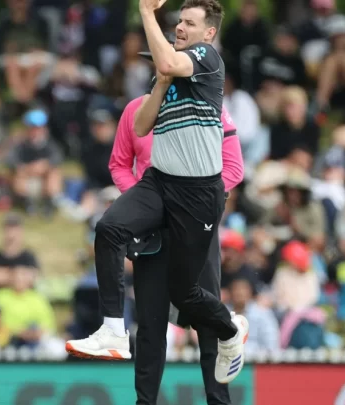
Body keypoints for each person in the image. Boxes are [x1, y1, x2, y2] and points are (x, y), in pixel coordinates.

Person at [65, 0, 248, 384]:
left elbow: (234, 167)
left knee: (185, 296)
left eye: (189, 22)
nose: (180, 27)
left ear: (208, 33)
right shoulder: (164, 78)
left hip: (198, 194)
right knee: (109, 227)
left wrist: (146, 12)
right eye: (178, 21)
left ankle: (230, 330)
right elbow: (143, 125)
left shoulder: (208, 59)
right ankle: (114, 329)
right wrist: (162, 84)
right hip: (161, 183)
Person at [103, 92, 243, 403]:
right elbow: (120, 165)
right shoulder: (136, 109)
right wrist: (148, 206)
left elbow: (233, 168)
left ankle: (219, 399)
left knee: (205, 324)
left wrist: (195, 205)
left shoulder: (211, 107)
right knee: (151, 327)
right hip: (152, 232)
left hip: (196, 227)